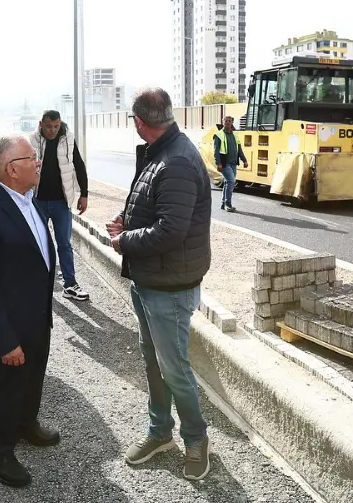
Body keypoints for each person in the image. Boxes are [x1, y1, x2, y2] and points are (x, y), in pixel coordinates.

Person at [106, 88, 213, 481]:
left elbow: (170, 230)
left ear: (139, 122)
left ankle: (196, 439)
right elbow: (153, 205)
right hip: (151, 278)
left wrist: (124, 240)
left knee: (174, 368)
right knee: (154, 361)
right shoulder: (160, 152)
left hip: (170, 286)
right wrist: (127, 220)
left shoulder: (177, 160)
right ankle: (160, 432)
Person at [0, 133, 58, 487]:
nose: (38, 162)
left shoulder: (26, 197)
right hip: (11, 324)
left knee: (33, 376)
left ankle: (25, 424)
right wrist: (4, 341)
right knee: (8, 385)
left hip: (36, 315)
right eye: (31, 157)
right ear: (12, 169)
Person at [30, 110, 90, 301]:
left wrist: (84, 194)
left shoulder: (68, 139)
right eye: (48, 126)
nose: (52, 130)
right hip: (37, 201)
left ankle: (70, 284)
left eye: (56, 126)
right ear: (41, 124)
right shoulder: (31, 140)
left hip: (61, 202)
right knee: (38, 243)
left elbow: (79, 165)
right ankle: (38, 283)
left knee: (64, 244)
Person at [213, 114, 249, 212]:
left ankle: (223, 203)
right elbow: (216, 151)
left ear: (232, 122)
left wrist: (244, 160)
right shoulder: (219, 135)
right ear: (223, 122)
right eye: (226, 121)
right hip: (224, 163)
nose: (228, 122)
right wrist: (218, 163)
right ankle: (228, 204)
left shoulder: (235, 136)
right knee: (231, 181)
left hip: (233, 163)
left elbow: (239, 150)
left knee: (227, 182)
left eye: (229, 121)